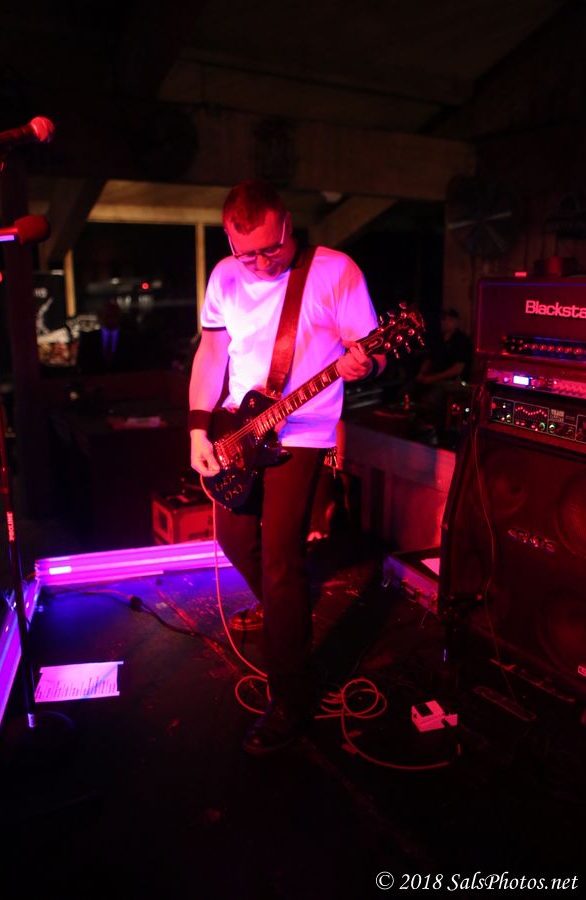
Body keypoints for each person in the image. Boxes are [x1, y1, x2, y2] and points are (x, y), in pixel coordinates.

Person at [189, 180, 385, 755]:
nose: (259, 263)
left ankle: (291, 697)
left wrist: (365, 363)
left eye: (269, 249)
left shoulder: (335, 271)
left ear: (287, 227)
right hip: (239, 428)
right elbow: (212, 352)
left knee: (279, 559)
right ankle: (286, 613)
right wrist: (197, 429)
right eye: (244, 253)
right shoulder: (224, 277)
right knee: (234, 539)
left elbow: (372, 350)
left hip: (303, 432)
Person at [404, 307, 472, 441]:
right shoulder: (438, 339)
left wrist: (432, 378)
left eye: (449, 320)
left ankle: (439, 430)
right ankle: (415, 425)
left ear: (456, 322)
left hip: (454, 381)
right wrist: (421, 374)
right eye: (443, 319)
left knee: (434, 397)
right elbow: (429, 359)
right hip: (434, 378)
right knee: (407, 391)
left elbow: (457, 369)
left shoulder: (462, 341)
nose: (445, 322)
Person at [76, 299, 139, 374]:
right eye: (108, 315)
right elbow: (82, 364)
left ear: (119, 316)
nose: (111, 319)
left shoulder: (130, 339)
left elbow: (134, 365)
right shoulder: (88, 339)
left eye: (114, 315)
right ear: (101, 316)